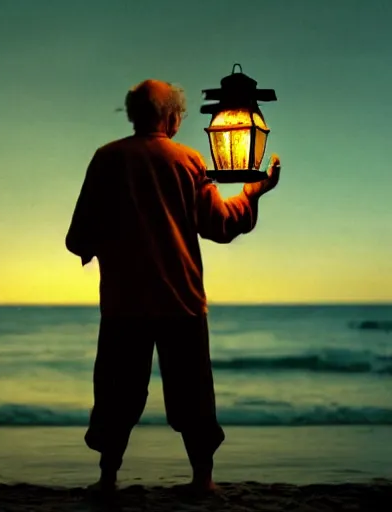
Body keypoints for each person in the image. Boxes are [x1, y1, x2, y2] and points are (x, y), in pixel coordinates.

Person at [65, 79, 281, 493]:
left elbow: (79, 237)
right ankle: (204, 478)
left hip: (123, 305)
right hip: (180, 302)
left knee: (116, 395)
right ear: (173, 117)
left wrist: (99, 245)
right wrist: (252, 192)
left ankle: (107, 477)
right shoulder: (188, 162)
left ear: (134, 115)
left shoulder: (107, 159)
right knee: (193, 394)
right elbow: (218, 225)